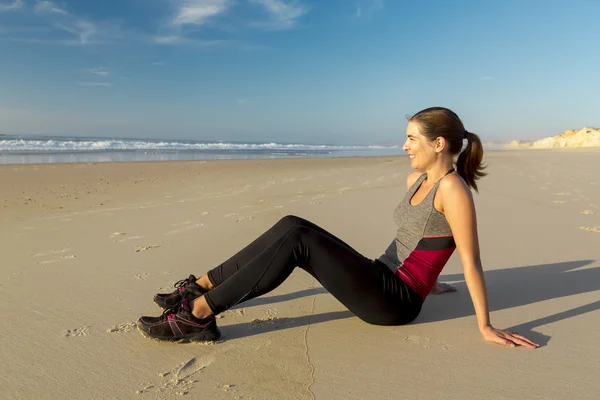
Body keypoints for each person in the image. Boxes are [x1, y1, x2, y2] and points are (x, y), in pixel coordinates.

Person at [137, 107, 539, 349]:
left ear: (437, 144)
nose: (404, 146)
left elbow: (471, 260)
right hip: (381, 276)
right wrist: (432, 280)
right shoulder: (415, 181)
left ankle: (199, 315)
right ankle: (200, 287)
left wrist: (484, 326)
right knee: (292, 223)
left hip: (394, 302)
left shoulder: (453, 188)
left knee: (299, 240)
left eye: (411, 138)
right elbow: (423, 240)